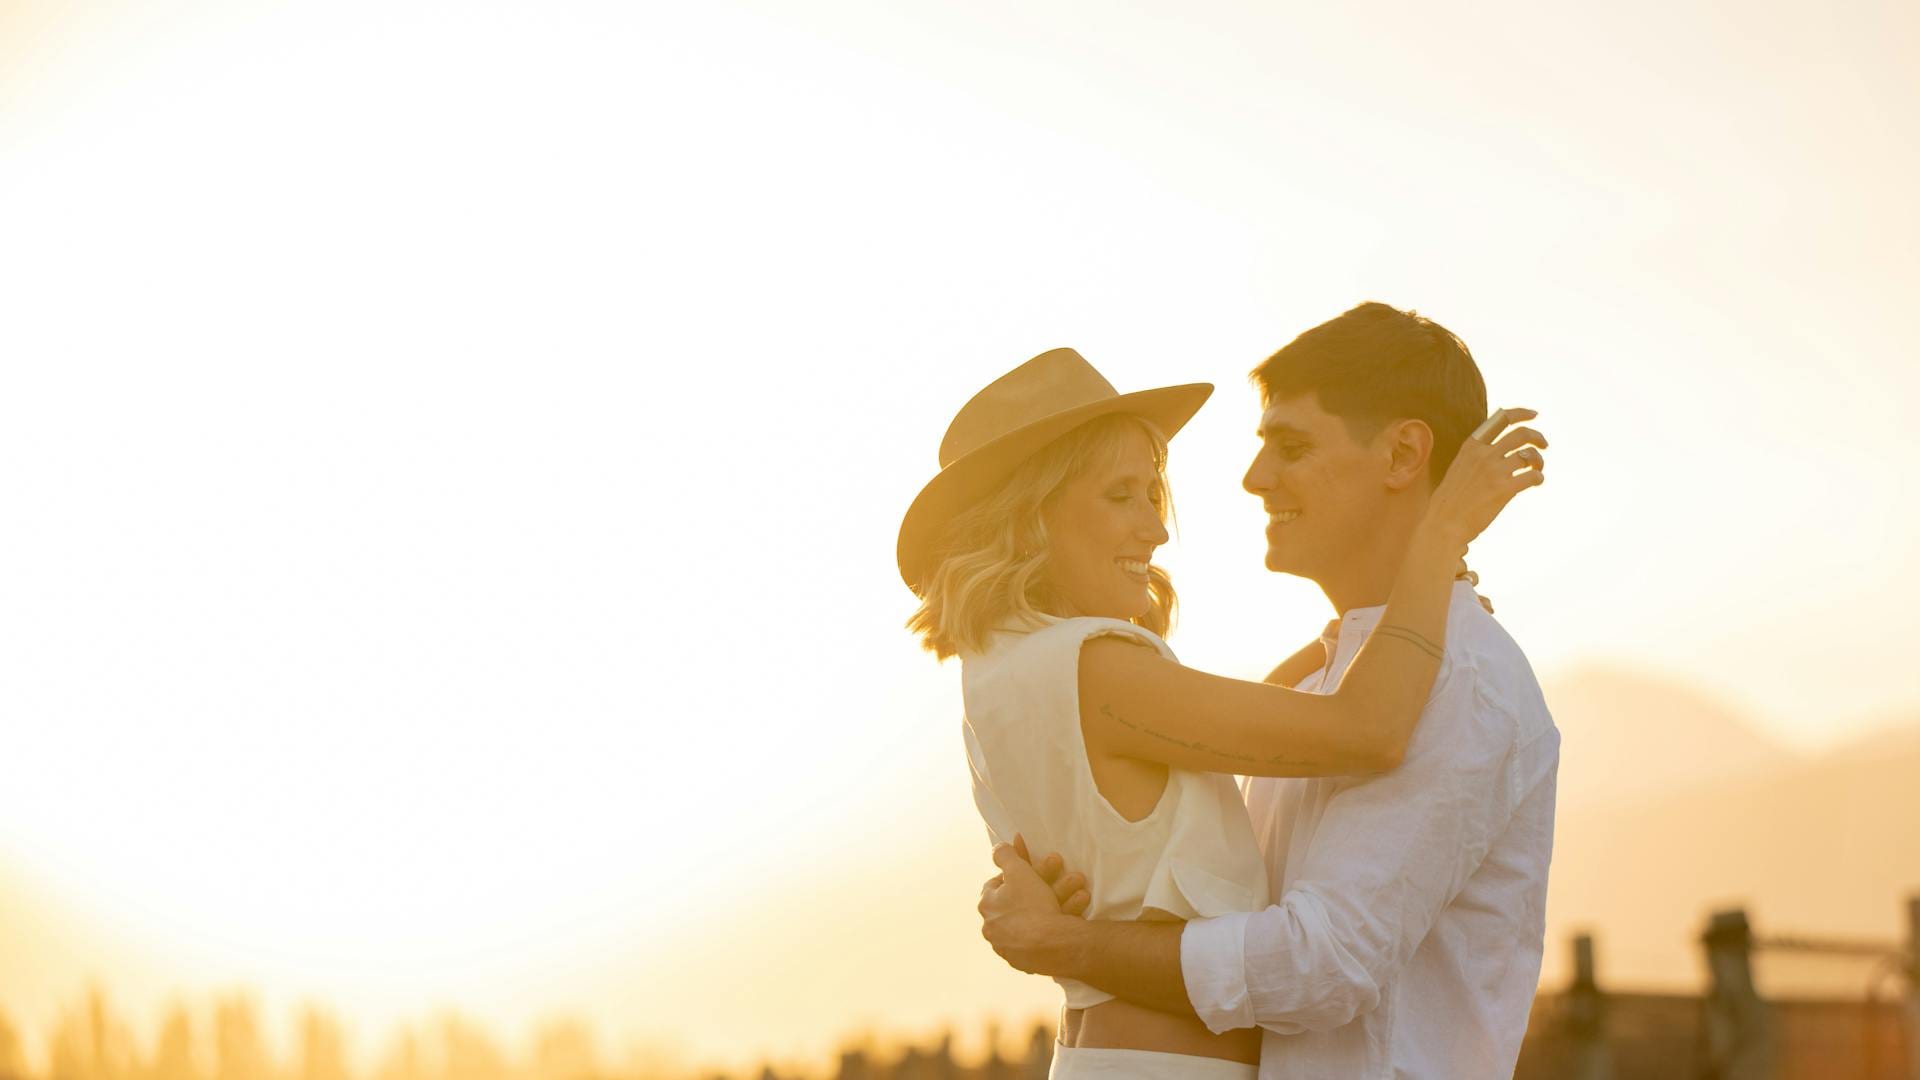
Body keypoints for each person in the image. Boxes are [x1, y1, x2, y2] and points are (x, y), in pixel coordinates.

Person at [898, 331, 1545, 1077]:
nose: (1157, 527)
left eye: (1152, 494)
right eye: (1121, 496)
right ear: (1028, 518)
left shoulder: (1018, 666)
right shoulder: (1098, 669)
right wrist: (1438, 546)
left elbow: (1238, 729)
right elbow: (1362, 729)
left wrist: (1377, 626)